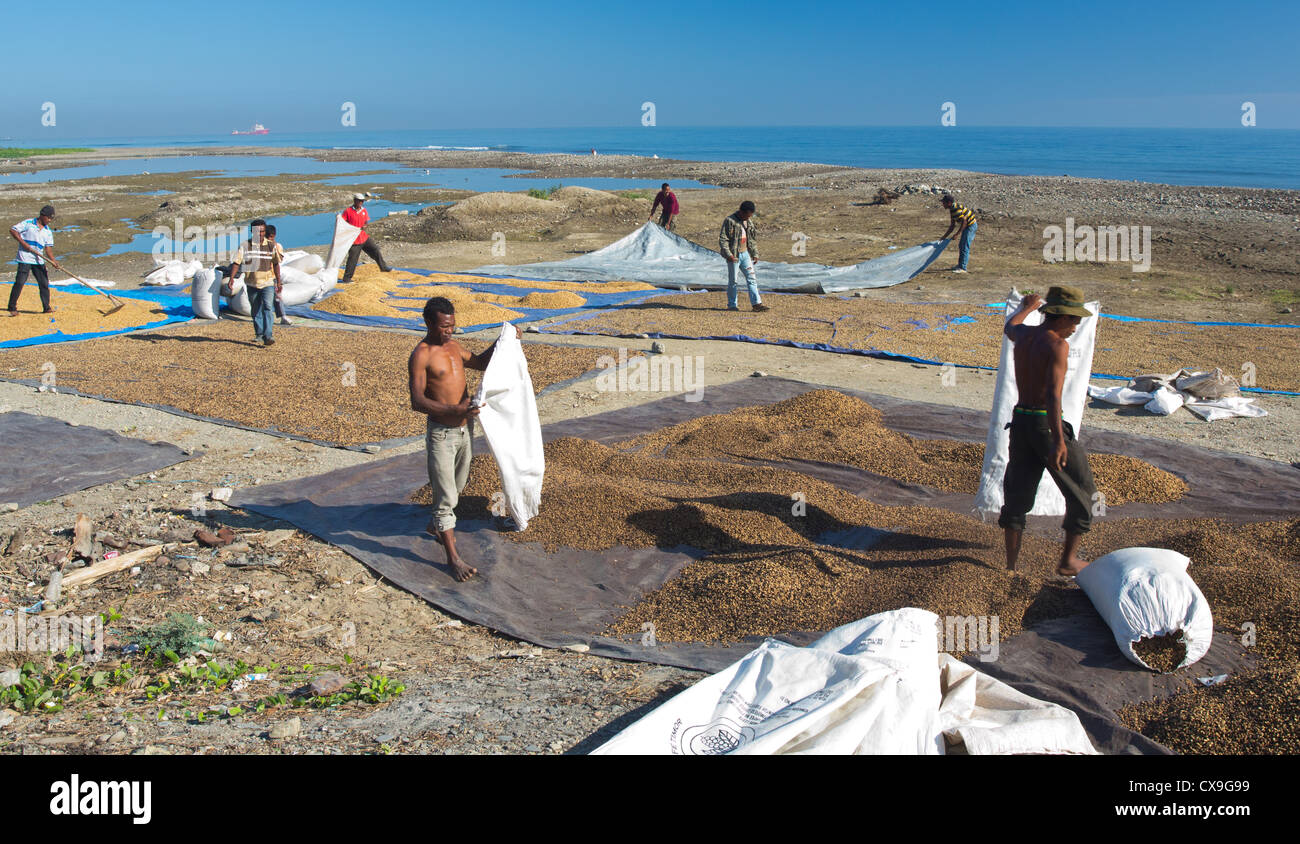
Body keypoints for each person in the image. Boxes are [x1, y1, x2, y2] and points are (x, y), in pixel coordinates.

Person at [998, 286, 1097, 576]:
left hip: (1020, 423)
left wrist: (1026, 308)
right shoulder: (1057, 346)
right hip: (1044, 424)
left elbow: (1010, 326)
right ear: (1060, 317)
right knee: (1084, 492)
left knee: (1017, 494)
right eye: (1074, 320)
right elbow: (1054, 396)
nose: (1076, 327)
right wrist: (1058, 441)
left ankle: (1010, 566)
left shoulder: (1024, 336)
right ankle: (1068, 561)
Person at [408, 297, 497, 583]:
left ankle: (437, 526)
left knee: (457, 488)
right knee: (445, 498)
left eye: (452, 326)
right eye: (444, 326)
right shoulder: (421, 355)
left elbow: (481, 363)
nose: (449, 331)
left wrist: (502, 340)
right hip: (442, 434)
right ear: (429, 323)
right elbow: (417, 400)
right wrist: (454, 410)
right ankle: (453, 558)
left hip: (464, 431)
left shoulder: (455, 347)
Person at [229, 219, 283, 346]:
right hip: (251, 283)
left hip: (267, 282)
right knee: (255, 308)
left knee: (268, 307)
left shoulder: (271, 245)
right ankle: (259, 334)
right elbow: (237, 262)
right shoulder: (245, 245)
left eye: (263, 231)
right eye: (257, 232)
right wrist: (232, 278)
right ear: (252, 231)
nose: (260, 234)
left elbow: (276, 264)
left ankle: (268, 335)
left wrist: (279, 281)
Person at [7, 205, 63, 316]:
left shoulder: (48, 232)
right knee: (20, 282)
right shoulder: (28, 223)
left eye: (51, 218)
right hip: (25, 258)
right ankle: (12, 307)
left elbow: (48, 249)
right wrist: (24, 244)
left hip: (38, 260)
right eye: (49, 218)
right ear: (42, 216)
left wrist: (53, 261)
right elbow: (13, 230)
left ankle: (46, 308)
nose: (50, 220)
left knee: (44, 283)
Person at [719, 201, 769, 312]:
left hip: (745, 254)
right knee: (733, 281)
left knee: (752, 279)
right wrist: (729, 255)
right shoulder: (730, 221)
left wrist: (755, 253)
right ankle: (732, 305)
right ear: (741, 212)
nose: (748, 217)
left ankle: (756, 304)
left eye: (750, 216)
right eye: (747, 215)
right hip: (734, 256)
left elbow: (751, 240)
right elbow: (723, 239)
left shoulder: (748, 222)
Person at [341, 193, 391, 283]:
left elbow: (366, 222)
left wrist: (365, 226)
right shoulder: (348, 211)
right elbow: (342, 223)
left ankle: (383, 267)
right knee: (353, 259)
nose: (361, 203)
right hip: (354, 240)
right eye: (359, 201)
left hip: (363, 237)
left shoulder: (364, 211)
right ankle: (347, 278)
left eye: (362, 201)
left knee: (375, 250)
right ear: (355, 201)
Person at [262, 224, 293, 325]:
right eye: (268, 237)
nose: (270, 239)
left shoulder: (277, 246)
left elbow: (279, 260)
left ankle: (282, 316)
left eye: (271, 237)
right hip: (261, 276)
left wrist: (279, 281)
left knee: (277, 297)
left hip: (272, 276)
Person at [940, 194, 977, 273]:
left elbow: (964, 222)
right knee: (961, 245)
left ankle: (963, 268)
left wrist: (957, 234)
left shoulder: (956, 209)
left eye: (944, 203)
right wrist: (944, 236)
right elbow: (952, 225)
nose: (943, 204)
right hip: (967, 226)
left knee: (964, 246)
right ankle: (960, 265)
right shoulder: (952, 209)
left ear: (949, 203)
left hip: (970, 226)